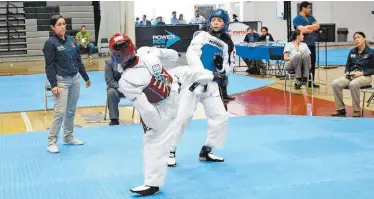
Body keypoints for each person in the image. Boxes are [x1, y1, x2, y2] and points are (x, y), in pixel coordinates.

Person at [110, 33, 227, 196]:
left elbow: (147, 110)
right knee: (188, 72)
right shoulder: (147, 53)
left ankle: (152, 183)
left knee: (152, 142)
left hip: (164, 106)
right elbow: (172, 56)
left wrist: (155, 129)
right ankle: (214, 76)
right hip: (175, 85)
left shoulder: (126, 81)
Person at [166, 9, 230, 167]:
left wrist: (221, 69)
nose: (216, 23)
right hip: (194, 82)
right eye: (214, 19)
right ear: (209, 21)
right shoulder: (202, 36)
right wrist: (205, 73)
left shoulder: (225, 45)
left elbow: (227, 67)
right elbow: (192, 55)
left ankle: (206, 150)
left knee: (220, 117)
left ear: (225, 23)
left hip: (212, 85)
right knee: (183, 117)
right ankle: (170, 151)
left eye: (220, 20)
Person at [43, 15, 91, 153]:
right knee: (59, 113)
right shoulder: (50, 44)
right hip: (61, 82)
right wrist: (54, 85)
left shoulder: (71, 40)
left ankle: (68, 137)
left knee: (70, 111)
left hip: (75, 79)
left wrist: (85, 77)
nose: (62, 26)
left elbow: (78, 61)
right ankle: (51, 141)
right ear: (53, 27)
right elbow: (49, 66)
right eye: (59, 24)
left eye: (64, 23)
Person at [331, 32, 374, 117]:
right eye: (355, 38)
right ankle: (341, 109)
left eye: (359, 37)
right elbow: (348, 65)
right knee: (335, 83)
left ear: (364, 38)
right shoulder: (352, 51)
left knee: (353, 84)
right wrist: (347, 72)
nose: (357, 39)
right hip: (351, 76)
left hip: (365, 76)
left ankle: (356, 110)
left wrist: (362, 73)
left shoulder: (371, 52)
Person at [293, 1, 320, 88]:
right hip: (302, 45)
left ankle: (310, 82)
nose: (310, 9)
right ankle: (298, 82)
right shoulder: (297, 19)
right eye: (308, 8)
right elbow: (303, 31)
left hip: (311, 44)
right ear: (303, 8)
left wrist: (307, 27)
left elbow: (317, 26)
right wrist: (311, 28)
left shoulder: (311, 17)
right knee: (301, 63)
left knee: (312, 63)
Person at [104, 56, 124, 125]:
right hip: (116, 87)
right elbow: (109, 80)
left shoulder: (131, 59)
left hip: (131, 86)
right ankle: (114, 119)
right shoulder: (108, 62)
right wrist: (120, 88)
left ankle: (146, 118)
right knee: (111, 92)